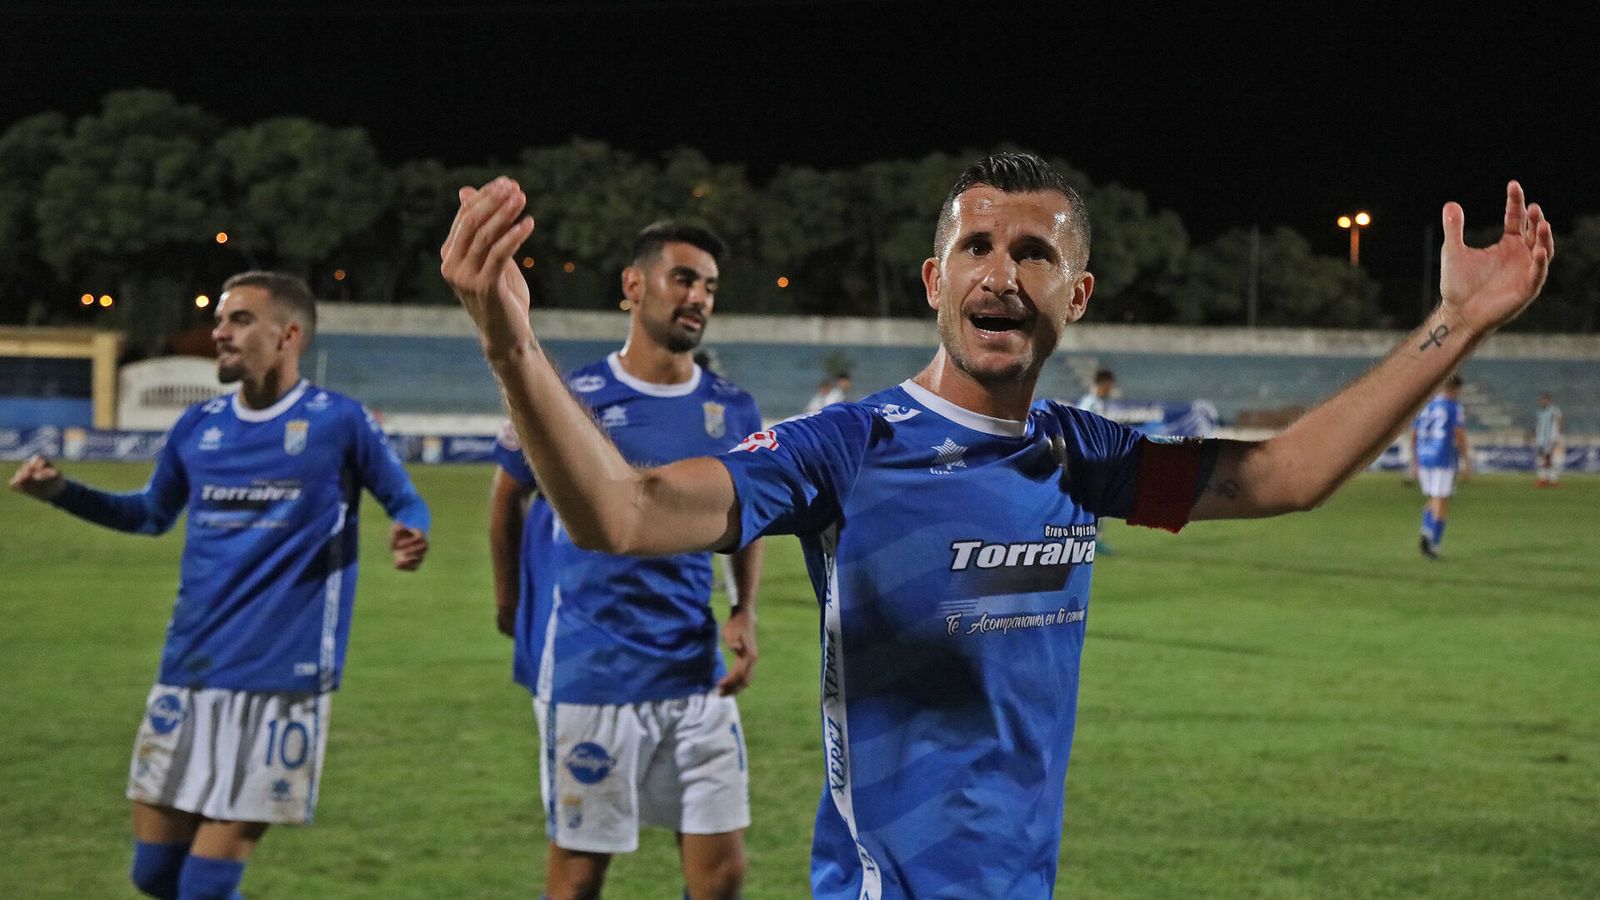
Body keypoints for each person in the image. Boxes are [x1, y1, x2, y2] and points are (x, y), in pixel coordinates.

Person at [440, 154, 1552, 898]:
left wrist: (1453, 322)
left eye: (1036, 256)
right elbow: (625, 512)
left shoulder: (1083, 454)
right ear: (934, 280)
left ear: (1079, 293)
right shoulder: (850, 446)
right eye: (977, 249)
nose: (1003, 275)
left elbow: (1281, 476)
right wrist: (509, 345)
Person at [9, 271, 430, 900]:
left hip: (281, 681)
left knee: (205, 883)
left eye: (238, 320)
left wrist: (409, 530)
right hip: (190, 668)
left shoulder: (339, 422)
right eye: (220, 320)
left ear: (288, 334)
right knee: (153, 874)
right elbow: (150, 514)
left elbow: (406, 499)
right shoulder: (197, 426)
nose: (220, 332)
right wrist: (62, 492)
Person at [486, 222, 765, 900]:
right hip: (593, 669)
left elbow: (750, 513)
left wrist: (743, 610)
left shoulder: (731, 407)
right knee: (580, 877)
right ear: (634, 286)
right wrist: (510, 603)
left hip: (693, 667)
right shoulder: (570, 394)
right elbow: (506, 501)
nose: (698, 296)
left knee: (723, 874)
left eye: (708, 286)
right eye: (684, 278)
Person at [1409, 374, 1471, 558]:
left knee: (1432, 498)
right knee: (1441, 500)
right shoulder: (1453, 407)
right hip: (1442, 457)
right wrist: (1467, 461)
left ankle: (1426, 532)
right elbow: (1458, 433)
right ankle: (1432, 542)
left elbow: (1413, 434)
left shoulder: (1426, 405)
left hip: (1424, 456)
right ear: (1456, 389)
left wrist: (1414, 461)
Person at [1533, 391, 1564, 486]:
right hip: (1540, 439)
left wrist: (1557, 436)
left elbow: (1559, 423)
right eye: (1541, 400)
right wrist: (1535, 435)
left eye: (1544, 400)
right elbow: (1538, 425)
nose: (1542, 402)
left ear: (1549, 400)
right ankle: (1546, 479)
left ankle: (1548, 480)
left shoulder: (1554, 410)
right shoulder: (1540, 412)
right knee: (1543, 459)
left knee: (1548, 459)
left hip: (1549, 438)